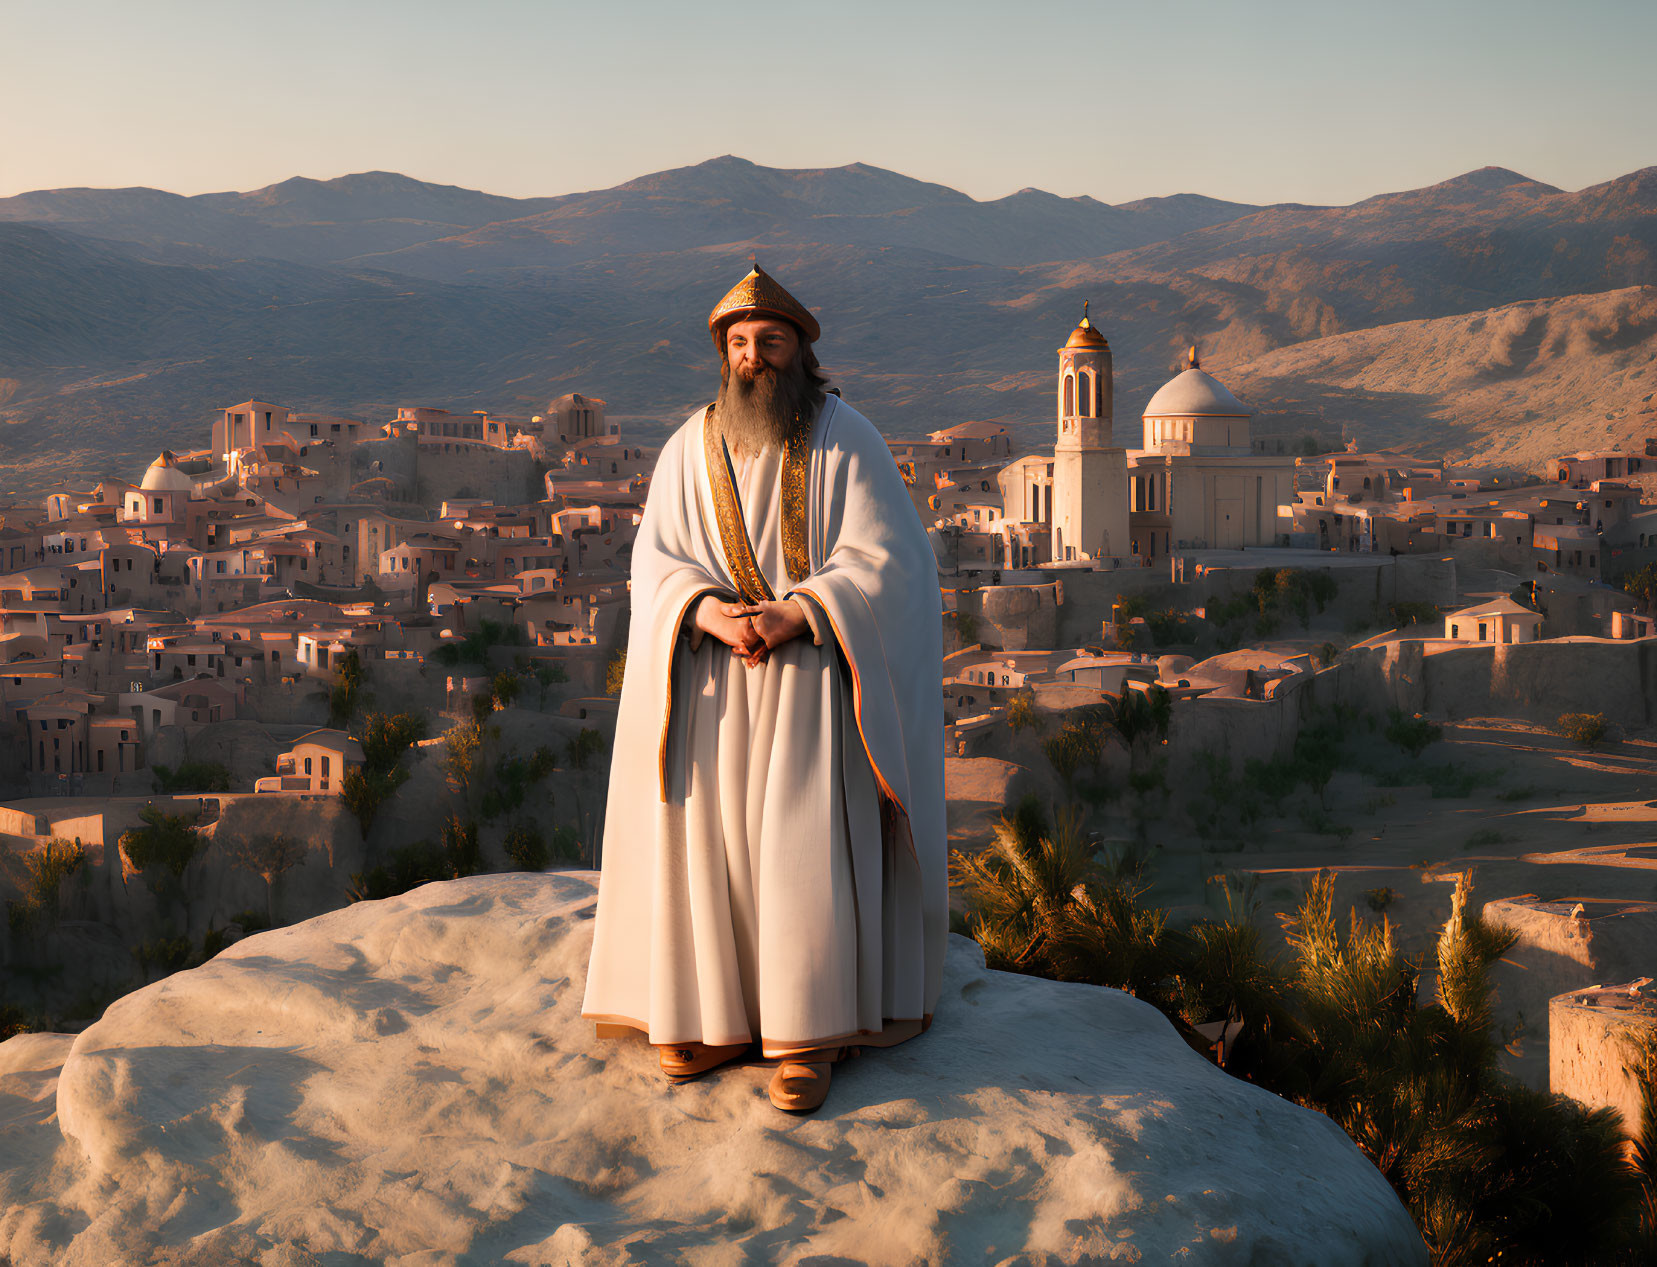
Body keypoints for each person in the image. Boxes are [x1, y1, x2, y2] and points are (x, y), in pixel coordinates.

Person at [581, 265, 945, 1113]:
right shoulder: (686, 446)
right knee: (711, 849)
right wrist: (708, 615)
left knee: (797, 851)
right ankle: (708, 1017)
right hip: (713, 680)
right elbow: (657, 562)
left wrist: (798, 612)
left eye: (769, 343)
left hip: (812, 679)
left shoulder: (847, 439)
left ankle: (807, 1035)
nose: (753, 359)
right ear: (722, 354)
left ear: (801, 350)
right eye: (738, 344)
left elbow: (889, 562)